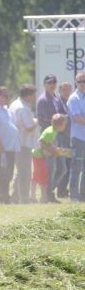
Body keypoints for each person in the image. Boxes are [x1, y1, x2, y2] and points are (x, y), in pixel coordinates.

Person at [36, 74, 67, 200]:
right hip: (48, 136)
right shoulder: (42, 99)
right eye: (49, 82)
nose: (52, 85)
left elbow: (65, 114)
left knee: (62, 168)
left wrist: (60, 118)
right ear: (44, 84)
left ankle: (49, 192)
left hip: (57, 135)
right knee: (51, 168)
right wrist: (57, 119)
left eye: (54, 82)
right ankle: (48, 195)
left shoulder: (56, 98)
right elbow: (42, 119)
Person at [0, 87, 20, 204]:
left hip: (10, 148)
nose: (7, 98)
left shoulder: (6, 109)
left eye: (8, 96)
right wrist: (0, 144)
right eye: (4, 96)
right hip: (0, 149)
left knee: (9, 174)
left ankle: (5, 198)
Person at [31, 114, 68, 204]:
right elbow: (40, 141)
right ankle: (43, 198)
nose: (65, 126)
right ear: (59, 125)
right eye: (64, 124)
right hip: (39, 156)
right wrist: (51, 150)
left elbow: (50, 143)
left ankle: (34, 196)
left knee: (37, 176)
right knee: (43, 176)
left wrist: (55, 149)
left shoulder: (53, 131)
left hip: (41, 155)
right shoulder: (50, 131)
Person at [10, 84, 38, 203]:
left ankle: (15, 196)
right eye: (33, 94)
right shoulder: (24, 108)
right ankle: (24, 198)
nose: (34, 96)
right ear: (28, 95)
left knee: (20, 171)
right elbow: (29, 127)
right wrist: (36, 121)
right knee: (25, 172)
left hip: (16, 142)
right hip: (23, 143)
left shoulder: (14, 104)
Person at [67, 72, 85, 203]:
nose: (83, 84)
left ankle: (83, 195)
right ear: (76, 82)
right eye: (80, 81)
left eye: (84, 81)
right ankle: (73, 195)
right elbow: (77, 117)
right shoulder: (74, 98)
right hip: (78, 138)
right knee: (76, 167)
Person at [56, 81, 74, 198]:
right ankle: (60, 190)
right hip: (62, 138)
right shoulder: (57, 103)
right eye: (64, 89)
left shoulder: (72, 101)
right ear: (60, 91)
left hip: (72, 138)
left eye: (68, 89)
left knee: (70, 164)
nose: (66, 91)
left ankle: (64, 190)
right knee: (63, 165)